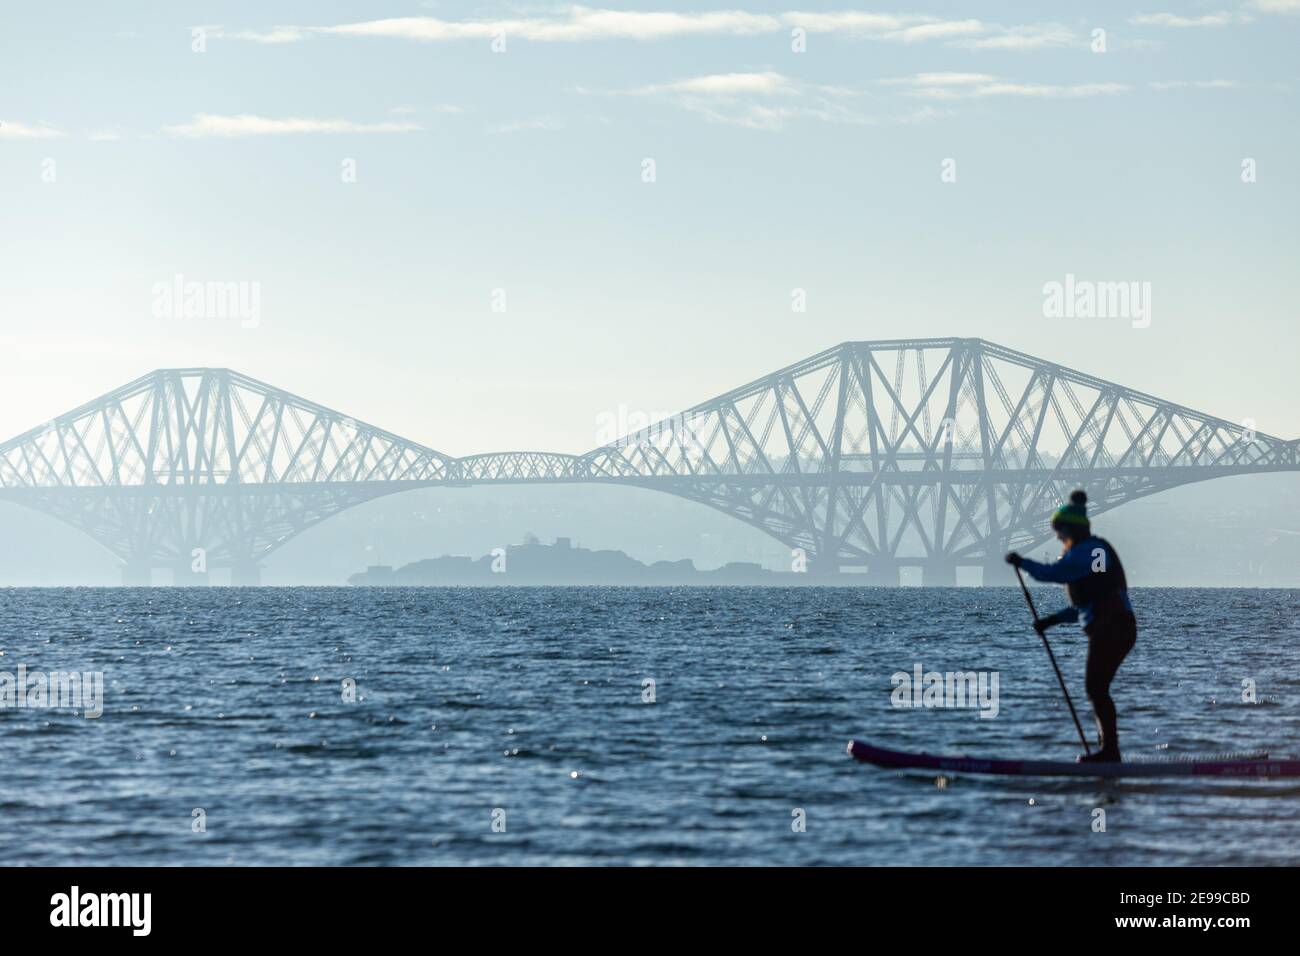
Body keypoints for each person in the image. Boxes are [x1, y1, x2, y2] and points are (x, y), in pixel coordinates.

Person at [1005, 490, 1137, 763]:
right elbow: (1089, 604)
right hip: (1113, 627)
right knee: (1097, 689)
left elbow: (1054, 574)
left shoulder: (1092, 551)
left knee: (1096, 689)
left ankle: (1109, 753)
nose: (1057, 538)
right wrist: (1051, 622)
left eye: (1060, 531)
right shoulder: (1090, 552)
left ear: (1071, 529)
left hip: (1112, 628)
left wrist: (1022, 562)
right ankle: (1108, 752)